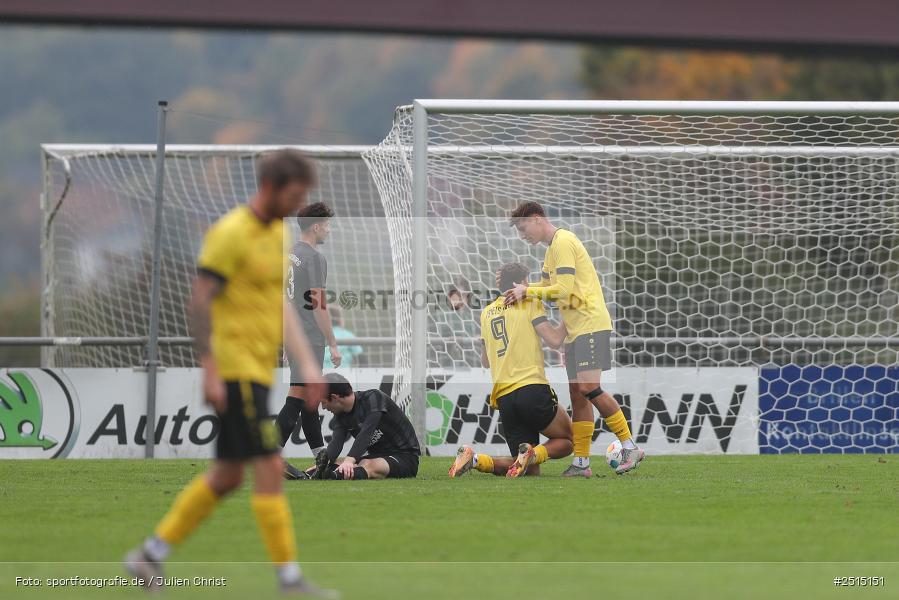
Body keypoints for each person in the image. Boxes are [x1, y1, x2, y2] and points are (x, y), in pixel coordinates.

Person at [124, 149, 336, 597]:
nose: (297, 207)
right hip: (235, 372)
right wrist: (210, 367)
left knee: (226, 477)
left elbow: (280, 307)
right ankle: (289, 580)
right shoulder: (231, 233)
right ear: (272, 188)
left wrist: (311, 367)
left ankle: (150, 556)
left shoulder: (274, 238)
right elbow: (200, 301)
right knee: (265, 471)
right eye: (294, 196)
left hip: (257, 372)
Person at [504, 201, 644, 477]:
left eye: (523, 228)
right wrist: (527, 296)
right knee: (578, 397)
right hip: (575, 329)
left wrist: (528, 290)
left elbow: (565, 289)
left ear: (536, 218)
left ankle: (629, 446)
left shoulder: (564, 241)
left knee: (590, 388)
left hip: (591, 324)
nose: (522, 235)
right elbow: (547, 288)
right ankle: (581, 463)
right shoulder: (550, 253)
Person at [449, 263, 573, 478]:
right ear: (522, 282)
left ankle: (475, 459)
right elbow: (554, 340)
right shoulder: (530, 301)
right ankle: (533, 453)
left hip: (504, 396)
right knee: (569, 440)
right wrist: (570, 315)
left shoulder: (486, 313)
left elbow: (486, 361)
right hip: (531, 388)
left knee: (528, 470)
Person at [278, 202, 340, 480]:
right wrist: (333, 341)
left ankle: (320, 456)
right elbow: (319, 305)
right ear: (316, 226)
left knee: (309, 400)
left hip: (294, 335)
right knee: (299, 397)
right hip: (310, 338)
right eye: (326, 224)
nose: (328, 229)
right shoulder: (315, 258)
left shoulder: (290, 254)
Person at [309, 373, 420, 480]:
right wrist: (323, 464)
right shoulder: (341, 415)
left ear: (334, 397)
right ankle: (308, 475)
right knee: (338, 463)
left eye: (323, 402)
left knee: (366, 464)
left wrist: (350, 460)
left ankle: (332, 477)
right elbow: (336, 443)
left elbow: (366, 433)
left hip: (405, 457)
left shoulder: (374, 397)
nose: (323, 407)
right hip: (376, 456)